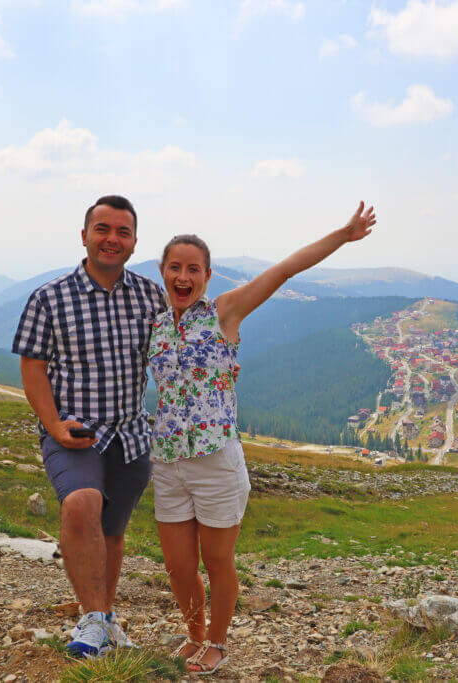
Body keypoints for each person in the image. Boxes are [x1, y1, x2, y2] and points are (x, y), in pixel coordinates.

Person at [149, 201, 376, 674]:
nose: (183, 276)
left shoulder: (224, 312)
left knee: (217, 561)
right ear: (163, 271)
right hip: (167, 460)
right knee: (178, 566)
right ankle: (193, 636)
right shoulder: (155, 324)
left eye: (193, 269)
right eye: (175, 268)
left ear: (208, 275)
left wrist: (343, 234)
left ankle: (217, 643)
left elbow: (285, 270)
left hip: (216, 460)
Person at [12, 195, 166, 658]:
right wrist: (54, 425)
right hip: (75, 431)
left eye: (122, 232)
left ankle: (105, 620)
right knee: (81, 505)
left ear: (134, 242)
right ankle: (94, 619)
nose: (112, 239)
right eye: (103, 229)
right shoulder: (49, 297)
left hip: (131, 433)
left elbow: (171, 354)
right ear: (84, 236)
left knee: (112, 531)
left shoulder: (150, 296)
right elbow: (33, 367)